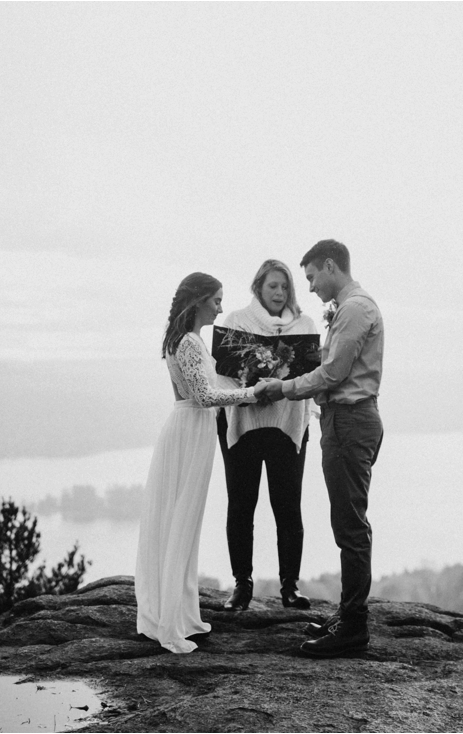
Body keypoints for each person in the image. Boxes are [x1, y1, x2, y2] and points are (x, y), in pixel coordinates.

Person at [135, 272, 281, 654]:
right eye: (216, 299)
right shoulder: (188, 341)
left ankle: (180, 612)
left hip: (187, 427)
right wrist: (253, 393)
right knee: (182, 520)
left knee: (181, 520)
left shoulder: (178, 339)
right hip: (191, 428)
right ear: (198, 300)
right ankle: (172, 620)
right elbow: (202, 396)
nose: (220, 306)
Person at [262, 239, 384, 658]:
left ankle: (353, 627)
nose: (310, 287)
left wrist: (283, 387)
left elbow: (332, 373)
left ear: (331, 266)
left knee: (350, 526)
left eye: (312, 277)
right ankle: (348, 614)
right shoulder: (350, 308)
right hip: (343, 421)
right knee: (345, 522)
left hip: (350, 423)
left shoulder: (354, 308)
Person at [217, 259, 319, 612]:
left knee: (288, 506)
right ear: (258, 287)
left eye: (285, 287)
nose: (279, 293)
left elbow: (313, 378)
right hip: (243, 422)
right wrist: (250, 391)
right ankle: (241, 585)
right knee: (241, 505)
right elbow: (223, 375)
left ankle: (290, 586)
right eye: (272, 286)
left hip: (288, 424)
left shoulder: (304, 325)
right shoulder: (235, 321)